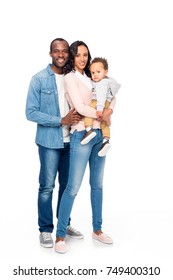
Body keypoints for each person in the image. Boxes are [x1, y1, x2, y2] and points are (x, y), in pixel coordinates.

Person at [55, 41, 116, 254]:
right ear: (72, 56)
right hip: (81, 134)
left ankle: (97, 230)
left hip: (99, 134)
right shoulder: (70, 77)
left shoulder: (93, 75)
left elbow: (111, 96)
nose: (83, 58)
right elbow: (79, 108)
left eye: (85, 54)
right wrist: (101, 114)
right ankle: (60, 235)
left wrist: (108, 112)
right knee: (72, 187)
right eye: (79, 54)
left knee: (97, 185)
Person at [25, 38, 84, 249]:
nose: (61, 55)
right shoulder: (39, 79)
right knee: (47, 187)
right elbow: (30, 112)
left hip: (73, 142)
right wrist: (61, 121)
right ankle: (45, 229)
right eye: (56, 51)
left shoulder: (73, 78)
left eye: (64, 51)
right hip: (49, 143)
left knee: (67, 187)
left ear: (68, 54)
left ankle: (64, 224)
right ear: (50, 53)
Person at [80, 57, 121, 157]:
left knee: (88, 113)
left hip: (99, 102)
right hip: (106, 103)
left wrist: (98, 109)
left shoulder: (102, 83)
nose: (95, 75)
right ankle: (106, 140)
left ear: (106, 72)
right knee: (104, 124)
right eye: (93, 73)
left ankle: (89, 130)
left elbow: (101, 97)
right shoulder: (107, 82)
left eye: (98, 72)